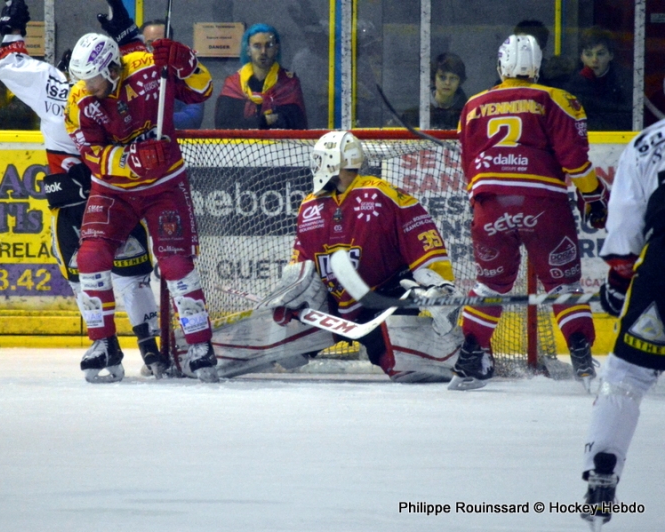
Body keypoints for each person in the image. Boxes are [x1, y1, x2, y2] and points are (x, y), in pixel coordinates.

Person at [0, 0, 167, 382]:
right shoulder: (97, 85)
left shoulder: (70, 85)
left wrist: (12, 32)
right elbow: (10, 65)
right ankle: (119, 344)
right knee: (104, 272)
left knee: (124, 270)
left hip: (106, 195)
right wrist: (128, 35)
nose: (86, 88)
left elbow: (9, 63)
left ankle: (142, 346)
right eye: (81, 79)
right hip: (96, 196)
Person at [456, 34, 609, 391]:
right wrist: (594, 198)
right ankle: (581, 355)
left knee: (490, 283)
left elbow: (469, 165)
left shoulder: (474, 104)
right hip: (543, 205)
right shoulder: (557, 99)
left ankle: (470, 357)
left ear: (501, 64)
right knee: (562, 283)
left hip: (490, 204)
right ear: (537, 66)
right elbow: (575, 161)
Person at [64, 29, 218, 382]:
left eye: (92, 79)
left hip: (165, 185)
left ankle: (199, 343)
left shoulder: (150, 68)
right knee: (90, 257)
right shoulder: (79, 100)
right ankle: (103, 342)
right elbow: (91, 153)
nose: (87, 87)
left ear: (113, 68)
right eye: (82, 81)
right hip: (113, 190)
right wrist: (132, 159)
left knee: (175, 262)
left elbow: (202, 91)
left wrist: (187, 64)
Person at [258, 130, 464, 383]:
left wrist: (438, 286)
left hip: (384, 298)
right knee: (285, 353)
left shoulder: (381, 194)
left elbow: (422, 239)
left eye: (320, 159)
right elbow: (301, 264)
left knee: (401, 367)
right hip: (333, 306)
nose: (315, 166)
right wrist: (289, 297)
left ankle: (462, 354)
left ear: (332, 161)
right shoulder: (309, 206)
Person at [578, 118, 665, 529]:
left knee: (626, 376)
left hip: (663, 266)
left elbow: (627, 215)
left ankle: (603, 467)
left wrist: (618, 276)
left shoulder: (649, 142)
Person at [215, 23, 307, 130]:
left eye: (269, 46)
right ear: (248, 50)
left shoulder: (289, 83)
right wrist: (264, 121)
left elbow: (297, 124)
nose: (263, 52)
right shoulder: (233, 84)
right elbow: (223, 125)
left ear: (277, 49)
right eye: (257, 46)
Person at [141, 19, 204, 130]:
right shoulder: (130, 76)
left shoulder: (187, 73)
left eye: (160, 43)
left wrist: (148, 119)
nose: (155, 49)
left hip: (175, 143)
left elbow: (192, 118)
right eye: (149, 44)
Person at [566, 26, 632, 131]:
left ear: (611, 55)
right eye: (588, 54)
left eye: (600, 54)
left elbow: (629, 118)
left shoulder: (624, 80)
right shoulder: (573, 81)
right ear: (581, 57)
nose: (594, 60)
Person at [402, 53, 468, 130]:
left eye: (453, 78)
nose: (447, 83)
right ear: (434, 79)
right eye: (442, 77)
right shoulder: (413, 115)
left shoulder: (469, 114)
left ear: (460, 81)